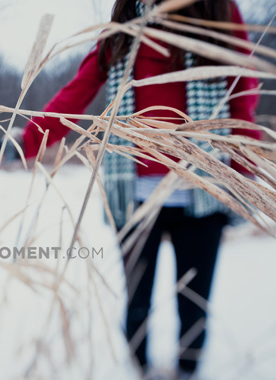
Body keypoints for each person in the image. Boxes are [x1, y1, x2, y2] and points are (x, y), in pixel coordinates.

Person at [20, 0, 260, 378]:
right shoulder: (129, 19)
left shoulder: (219, 10)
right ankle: (140, 370)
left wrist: (244, 172)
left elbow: (241, 91)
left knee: (194, 305)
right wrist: (28, 141)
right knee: (136, 304)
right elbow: (80, 88)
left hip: (203, 190)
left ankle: (187, 370)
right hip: (134, 194)